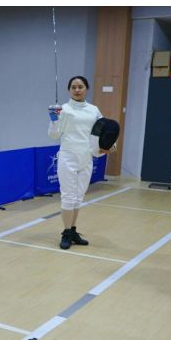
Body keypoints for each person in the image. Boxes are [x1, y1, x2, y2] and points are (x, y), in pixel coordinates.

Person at [47, 76, 115, 250]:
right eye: (73, 87)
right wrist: (54, 119)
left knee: (78, 197)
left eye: (80, 86)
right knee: (68, 197)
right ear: (69, 90)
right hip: (68, 156)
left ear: (86, 89)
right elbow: (54, 135)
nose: (77, 90)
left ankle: (73, 230)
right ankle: (66, 233)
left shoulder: (94, 110)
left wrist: (109, 146)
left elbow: (103, 130)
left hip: (87, 158)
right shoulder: (63, 109)